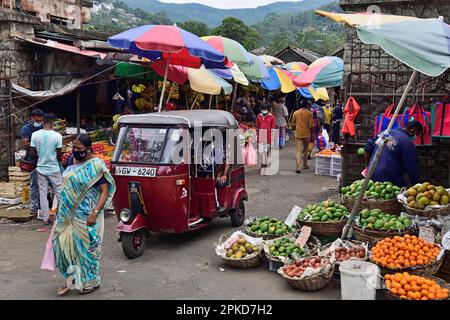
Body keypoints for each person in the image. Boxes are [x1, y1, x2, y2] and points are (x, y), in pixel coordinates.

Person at [53, 134, 115, 296]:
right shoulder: (70, 161)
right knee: (61, 246)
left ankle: (90, 281)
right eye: (73, 148)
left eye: (79, 149)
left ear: (88, 148)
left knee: (85, 251)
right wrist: (59, 207)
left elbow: (105, 191)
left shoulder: (95, 165)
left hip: (86, 216)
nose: (75, 151)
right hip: (66, 214)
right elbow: (66, 186)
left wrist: (95, 212)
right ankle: (71, 278)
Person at [364, 121, 423, 187]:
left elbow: (367, 148)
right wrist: (416, 184)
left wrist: (368, 166)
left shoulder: (384, 133)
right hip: (390, 181)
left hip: (372, 177)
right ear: (412, 131)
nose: (415, 137)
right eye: (416, 135)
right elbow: (412, 167)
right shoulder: (407, 143)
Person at [30, 114, 62, 224]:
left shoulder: (35, 135)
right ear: (52, 122)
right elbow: (59, 155)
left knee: (42, 192)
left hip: (41, 167)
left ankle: (45, 217)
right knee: (59, 191)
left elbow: (33, 152)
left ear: (43, 122)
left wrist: (40, 157)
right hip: (54, 167)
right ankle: (62, 215)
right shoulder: (57, 136)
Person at [20, 108, 44, 216]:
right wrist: (37, 143)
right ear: (32, 118)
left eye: (41, 121)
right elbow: (25, 144)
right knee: (34, 184)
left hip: (44, 159)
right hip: (33, 160)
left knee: (43, 185)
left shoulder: (43, 127)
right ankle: (34, 207)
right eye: (38, 121)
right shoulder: (26, 129)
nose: (39, 123)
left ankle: (42, 205)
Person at [292, 100, 314, 174]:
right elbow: (311, 125)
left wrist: (296, 127)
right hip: (306, 134)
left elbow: (293, 123)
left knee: (298, 150)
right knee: (305, 150)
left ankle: (298, 167)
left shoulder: (296, 112)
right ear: (307, 105)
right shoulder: (310, 114)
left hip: (298, 134)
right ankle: (305, 164)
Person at [256, 102, 276, 168]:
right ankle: (263, 163)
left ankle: (264, 163)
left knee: (266, 151)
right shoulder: (259, 116)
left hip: (268, 137)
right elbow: (257, 127)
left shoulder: (272, 117)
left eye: (266, 108)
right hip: (260, 136)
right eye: (263, 108)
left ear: (269, 109)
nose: (264, 110)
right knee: (261, 151)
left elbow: (273, 128)